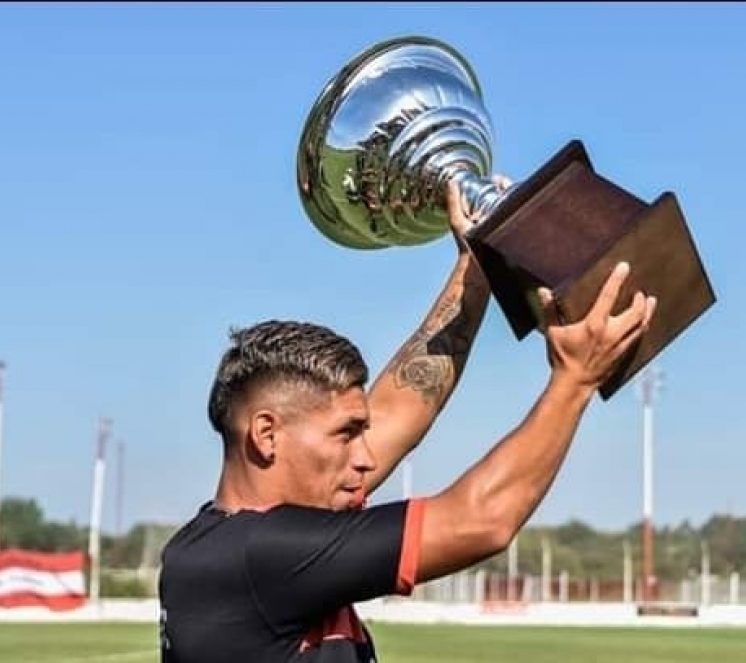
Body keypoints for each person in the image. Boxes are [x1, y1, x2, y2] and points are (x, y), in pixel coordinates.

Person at [158, 179, 657, 662]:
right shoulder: (259, 557)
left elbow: (401, 404)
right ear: (267, 435)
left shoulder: (234, 542)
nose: (367, 457)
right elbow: (480, 520)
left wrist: (476, 268)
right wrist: (575, 380)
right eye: (346, 434)